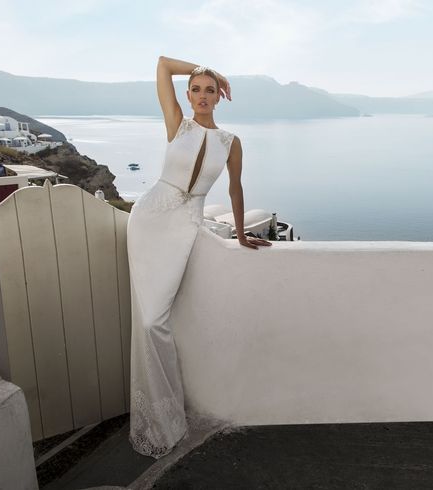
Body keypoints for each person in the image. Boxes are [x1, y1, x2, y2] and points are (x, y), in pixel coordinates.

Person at [127, 55, 271, 458]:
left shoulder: (230, 142)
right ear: (188, 95)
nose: (203, 96)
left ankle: (169, 417)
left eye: (211, 90)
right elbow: (159, 64)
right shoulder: (177, 123)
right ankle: (159, 419)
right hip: (149, 220)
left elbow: (235, 190)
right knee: (149, 320)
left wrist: (241, 233)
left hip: (186, 224)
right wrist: (212, 69)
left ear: (218, 99)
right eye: (197, 89)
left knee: (156, 319)